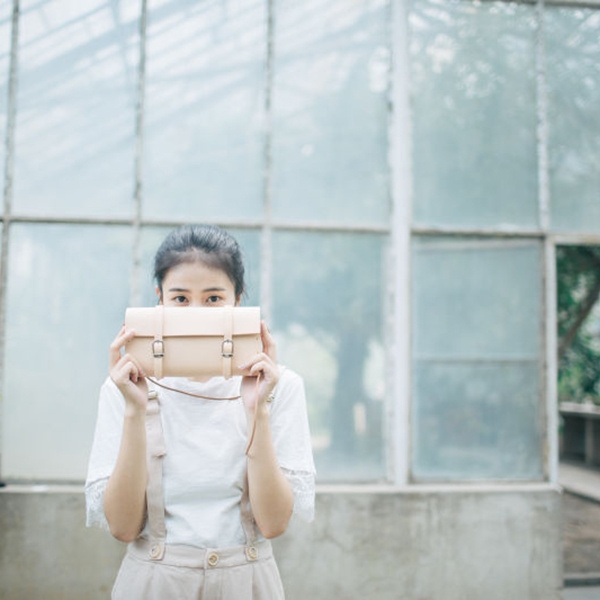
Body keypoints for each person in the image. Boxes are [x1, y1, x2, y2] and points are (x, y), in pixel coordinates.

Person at [85, 224, 316, 599]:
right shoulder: (125, 386)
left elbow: (273, 524)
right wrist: (133, 409)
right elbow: (124, 527)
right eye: (180, 299)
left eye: (212, 299)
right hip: (152, 584)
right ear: (158, 298)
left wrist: (257, 410)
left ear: (238, 301)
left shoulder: (280, 385)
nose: (195, 313)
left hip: (248, 583)